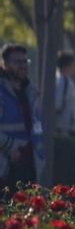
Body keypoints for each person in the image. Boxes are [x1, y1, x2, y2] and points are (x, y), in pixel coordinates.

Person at [0, 44, 43, 191]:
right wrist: (11, 148)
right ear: (4, 64)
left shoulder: (31, 92)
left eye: (25, 61)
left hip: (29, 164)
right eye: (17, 62)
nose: (23, 65)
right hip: (6, 165)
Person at [55, 52, 75, 137]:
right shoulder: (64, 82)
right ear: (66, 66)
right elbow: (58, 103)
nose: (74, 67)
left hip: (69, 127)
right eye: (73, 64)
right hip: (67, 128)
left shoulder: (66, 81)